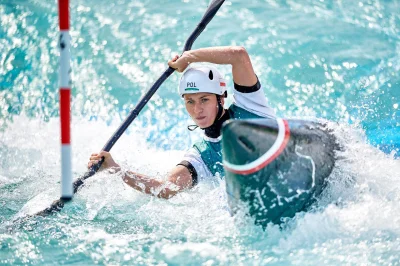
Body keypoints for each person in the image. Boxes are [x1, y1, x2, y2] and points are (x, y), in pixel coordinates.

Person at [88, 46, 276, 198]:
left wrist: (190, 57)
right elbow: (165, 188)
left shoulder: (251, 106)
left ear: (221, 98)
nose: (197, 110)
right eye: (190, 102)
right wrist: (117, 170)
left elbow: (238, 55)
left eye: (204, 100)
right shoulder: (202, 156)